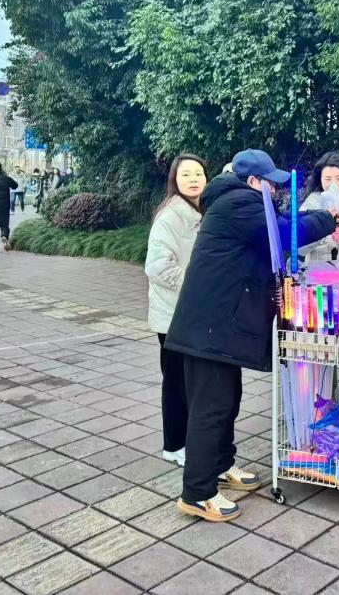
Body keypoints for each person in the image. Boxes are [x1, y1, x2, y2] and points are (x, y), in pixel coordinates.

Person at [165, 149, 339, 522]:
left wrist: (317, 217)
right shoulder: (239, 204)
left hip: (218, 328)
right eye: (270, 184)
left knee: (227, 401)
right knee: (211, 408)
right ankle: (197, 493)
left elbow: (284, 223)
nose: (275, 190)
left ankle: (220, 466)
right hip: (209, 329)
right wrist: (326, 218)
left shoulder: (240, 203)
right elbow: (284, 233)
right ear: (252, 182)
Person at [145, 155, 208, 468]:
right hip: (171, 315)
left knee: (189, 382)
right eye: (186, 174)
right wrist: (198, 283)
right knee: (175, 382)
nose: (193, 179)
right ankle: (174, 444)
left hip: (190, 313)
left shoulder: (201, 212)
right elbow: (157, 267)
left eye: (198, 173)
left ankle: (184, 441)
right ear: (175, 179)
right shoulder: (171, 216)